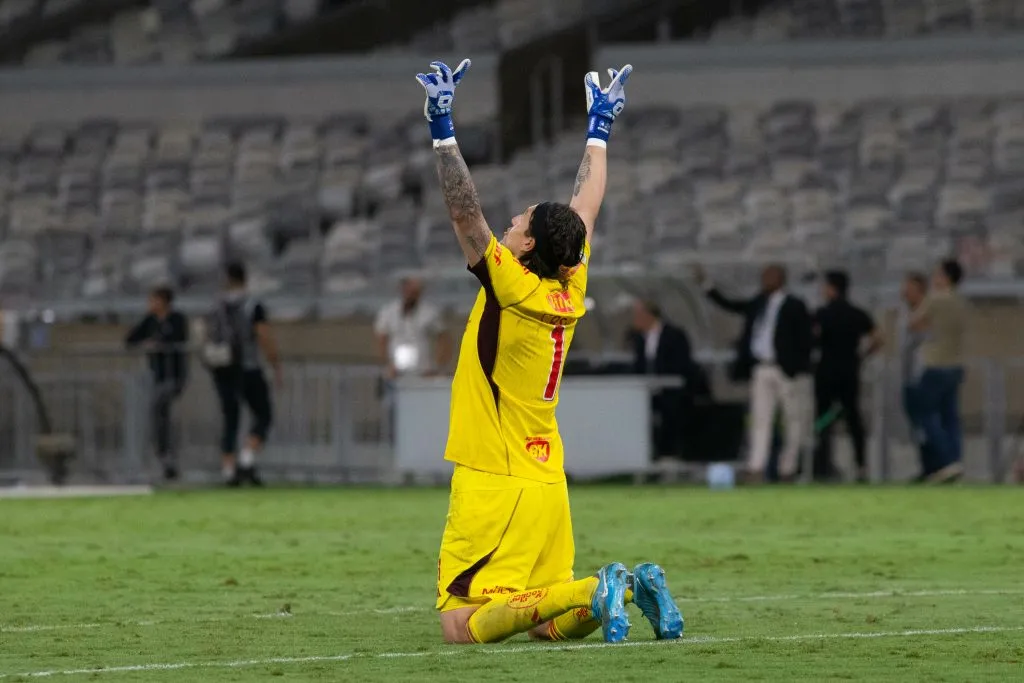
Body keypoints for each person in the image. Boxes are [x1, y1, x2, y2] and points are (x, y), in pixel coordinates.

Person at [416, 58, 682, 645]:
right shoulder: (570, 284)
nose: (510, 221)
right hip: (545, 476)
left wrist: (442, 129)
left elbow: (465, 214)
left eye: (519, 221)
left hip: (494, 475)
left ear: (527, 245)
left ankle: (596, 589)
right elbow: (585, 207)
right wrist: (600, 129)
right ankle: (625, 586)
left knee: (461, 624)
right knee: (547, 623)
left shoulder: (511, 285)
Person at [696, 263, 814, 482]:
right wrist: (707, 287)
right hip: (762, 368)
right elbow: (732, 305)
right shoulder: (759, 303)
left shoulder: (794, 305)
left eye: (769, 276)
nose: (764, 281)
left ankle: (788, 467)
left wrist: (797, 366)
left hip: (784, 369)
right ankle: (756, 466)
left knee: (792, 420)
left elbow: (805, 338)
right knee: (761, 419)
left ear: (780, 279)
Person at [206, 263, 282, 487]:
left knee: (230, 418)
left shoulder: (216, 306)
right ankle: (247, 458)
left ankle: (228, 470)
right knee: (263, 414)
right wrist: (275, 363)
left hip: (222, 365)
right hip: (248, 366)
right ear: (245, 279)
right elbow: (263, 336)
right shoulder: (252, 305)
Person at [812, 270, 883, 483]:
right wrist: (862, 355)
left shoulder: (822, 314)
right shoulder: (857, 314)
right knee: (853, 418)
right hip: (849, 372)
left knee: (823, 419)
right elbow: (878, 338)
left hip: (826, 372)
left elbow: (812, 338)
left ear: (832, 288)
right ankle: (861, 464)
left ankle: (823, 464)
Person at [910, 259, 968, 483]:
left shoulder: (936, 299)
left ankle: (946, 460)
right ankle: (955, 460)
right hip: (956, 364)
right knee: (950, 417)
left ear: (945, 277)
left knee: (926, 414)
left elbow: (914, 322)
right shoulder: (961, 301)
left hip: (935, 364)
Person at [125, 286, 189, 481]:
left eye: (153, 300)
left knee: (159, 408)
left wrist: (157, 343)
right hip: (157, 376)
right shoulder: (150, 320)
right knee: (159, 414)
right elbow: (130, 339)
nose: (150, 304)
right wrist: (147, 342)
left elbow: (176, 339)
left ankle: (166, 454)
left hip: (173, 375)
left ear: (162, 301)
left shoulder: (177, 319)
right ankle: (165, 457)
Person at [629, 299, 707, 459]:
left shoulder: (674, 335)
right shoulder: (638, 339)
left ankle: (671, 454)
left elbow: (682, 365)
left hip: (673, 392)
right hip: (647, 393)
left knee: (671, 414)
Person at [375, 277, 452, 378]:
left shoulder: (430, 312)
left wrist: (438, 365)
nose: (411, 295)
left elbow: (444, 339)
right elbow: (381, 339)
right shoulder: (388, 312)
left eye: (415, 292)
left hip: (423, 370)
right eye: (409, 291)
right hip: (395, 369)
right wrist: (386, 364)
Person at [900, 273, 934, 480]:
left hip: (923, 374)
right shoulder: (905, 313)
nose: (905, 292)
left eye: (909, 288)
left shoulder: (928, 313)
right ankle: (925, 466)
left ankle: (935, 465)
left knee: (927, 422)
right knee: (916, 426)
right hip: (908, 376)